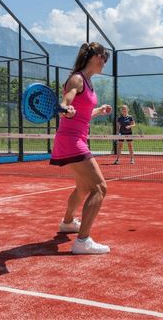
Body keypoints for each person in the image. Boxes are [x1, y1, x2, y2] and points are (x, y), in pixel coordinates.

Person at [50, 42, 112, 255]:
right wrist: (65, 108)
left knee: (84, 187)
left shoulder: (89, 82)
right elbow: (67, 100)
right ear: (95, 57)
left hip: (76, 138)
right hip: (71, 140)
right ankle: (82, 240)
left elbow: (83, 114)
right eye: (104, 58)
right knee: (100, 188)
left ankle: (67, 223)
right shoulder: (77, 79)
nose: (105, 63)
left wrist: (98, 110)